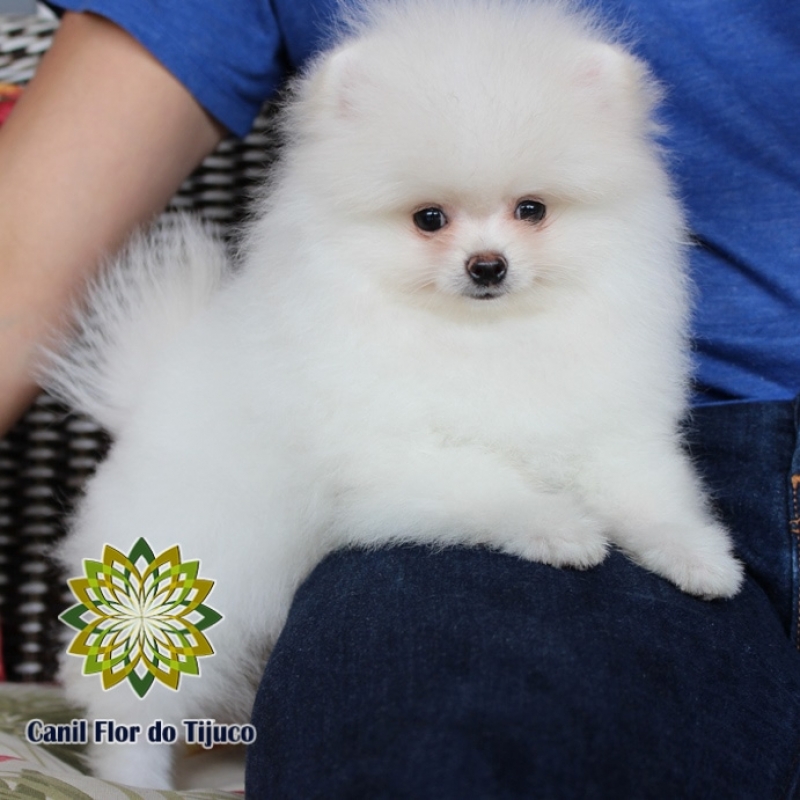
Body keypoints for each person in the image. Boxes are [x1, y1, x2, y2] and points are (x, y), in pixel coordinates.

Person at [1, 1, 799, 796]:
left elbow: (622, 439)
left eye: (530, 211)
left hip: (733, 436)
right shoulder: (325, 336)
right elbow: (380, 468)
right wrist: (514, 512)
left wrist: (665, 528)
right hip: (227, 473)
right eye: (430, 219)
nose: (486, 252)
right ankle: (127, 755)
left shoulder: (615, 310)